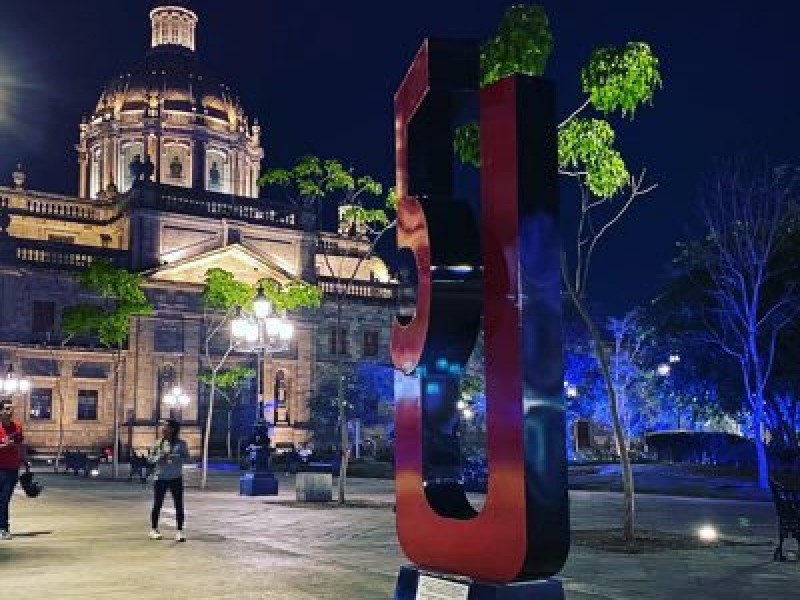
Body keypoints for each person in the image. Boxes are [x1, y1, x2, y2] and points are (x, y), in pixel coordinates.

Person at [149, 418, 190, 542]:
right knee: (157, 504)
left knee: (179, 504)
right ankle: (154, 529)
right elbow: (150, 459)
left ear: (173, 429)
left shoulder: (181, 444)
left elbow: (188, 459)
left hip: (176, 478)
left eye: (166, 426)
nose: (163, 429)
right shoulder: (158, 443)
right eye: (163, 426)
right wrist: (159, 457)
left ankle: (179, 531)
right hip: (160, 478)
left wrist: (176, 457)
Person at [0, 401, 24, 540]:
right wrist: (4, 445)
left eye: (11, 409)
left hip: (11, 469)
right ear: (1, 411)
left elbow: (21, 445)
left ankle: (3, 528)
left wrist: (24, 462)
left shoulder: (17, 427)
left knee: (4, 499)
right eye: (7, 409)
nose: (10, 411)